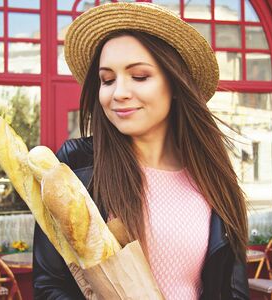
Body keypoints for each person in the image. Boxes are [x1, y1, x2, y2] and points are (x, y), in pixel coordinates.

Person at [33, 3, 249, 299]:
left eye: (139, 76)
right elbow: (49, 286)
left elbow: (233, 290)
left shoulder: (215, 177)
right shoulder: (74, 168)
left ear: (174, 83)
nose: (118, 92)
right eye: (107, 80)